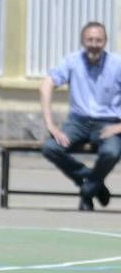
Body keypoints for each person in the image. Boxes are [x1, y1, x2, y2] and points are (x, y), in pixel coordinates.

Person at [40, 21, 121, 211]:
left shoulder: (117, 64)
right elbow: (46, 85)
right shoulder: (71, 61)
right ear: (83, 41)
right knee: (50, 148)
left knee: (111, 152)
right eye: (90, 39)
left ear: (105, 42)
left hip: (107, 122)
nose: (94, 44)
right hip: (78, 122)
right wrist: (50, 125)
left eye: (98, 40)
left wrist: (119, 127)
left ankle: (87, 191)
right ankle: (95, 184)